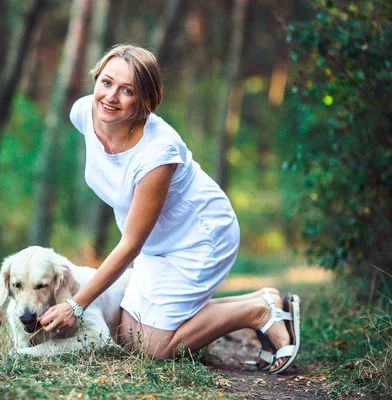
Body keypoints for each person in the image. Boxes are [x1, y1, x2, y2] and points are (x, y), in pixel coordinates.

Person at [38, 44, 300, 374]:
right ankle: (263, 300)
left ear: (145, 99)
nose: (110, 97)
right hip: (156, 241)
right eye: (106, 82)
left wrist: (75, 306)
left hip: (199, 236)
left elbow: (130, 244)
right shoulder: (84, 112)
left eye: (127, 90)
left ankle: (258, 312)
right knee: (129, 334)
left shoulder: (157, 154)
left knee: (156, 347)